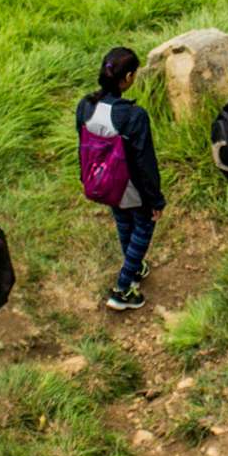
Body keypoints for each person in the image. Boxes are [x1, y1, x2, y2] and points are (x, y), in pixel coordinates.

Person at [76, 46, 164, 312]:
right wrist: (155, 199)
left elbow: (81, 144)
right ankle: (123, 288)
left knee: (123, 221)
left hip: (101, 181)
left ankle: (134, 266)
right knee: (143, 225)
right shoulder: (133, 116)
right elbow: (144, 163)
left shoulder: (85, 105)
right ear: (127, 77)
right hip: (130, 185)